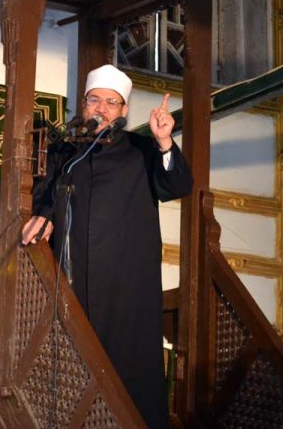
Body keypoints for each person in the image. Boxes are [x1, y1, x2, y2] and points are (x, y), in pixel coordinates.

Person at [22, 64, 192, 428]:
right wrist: (45, 216)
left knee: (128, 381)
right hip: (74, 282)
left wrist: (165, 142)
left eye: (111, 102)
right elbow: (44, 197)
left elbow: (177, 186)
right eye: (94, 100)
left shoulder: (142, 150)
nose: (101, 108)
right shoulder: (63, 152)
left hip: (126, 292)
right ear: (83, 105)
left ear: (124, 110)